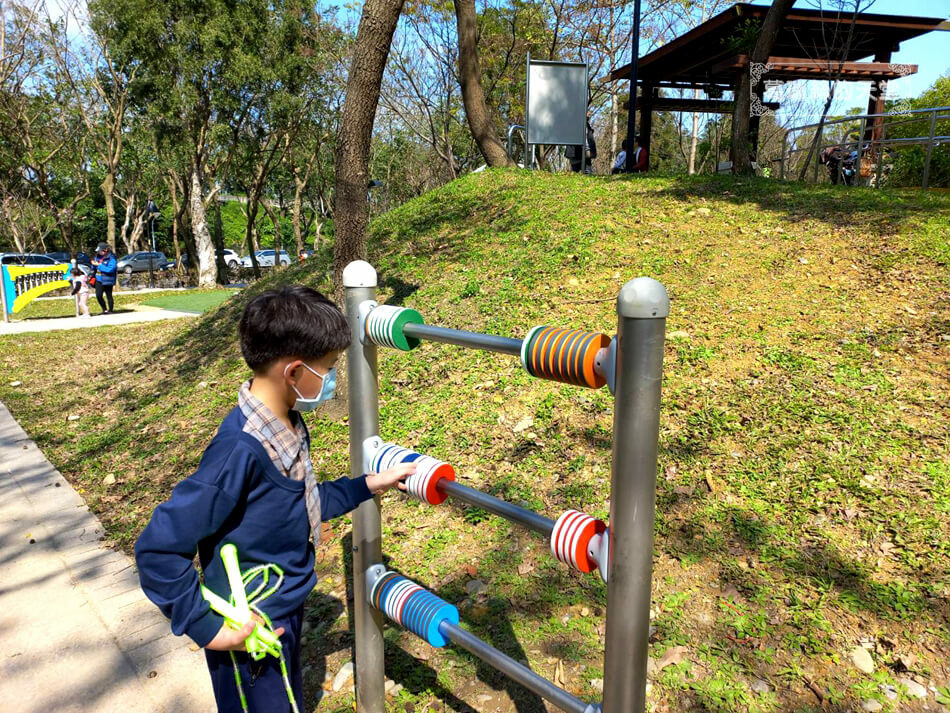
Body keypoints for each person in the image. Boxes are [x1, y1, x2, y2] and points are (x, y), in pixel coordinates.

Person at [134, 286, 415, 713]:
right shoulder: (239, 451)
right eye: (329, 368)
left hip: (284, 608)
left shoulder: (286, 423)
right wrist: (208, 628)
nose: (331, 379)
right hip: (250, 627)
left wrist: (366, 485)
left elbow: (298, 503)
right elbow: (157, 549)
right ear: (295, 372)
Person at [90, 242, 117, 313]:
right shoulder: (97, 257)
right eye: (98, 251)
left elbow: (110, 269)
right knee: (98, 295)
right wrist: (93, 265)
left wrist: (99, 265)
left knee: (109, 296)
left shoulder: (111, 258)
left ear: (105, 250)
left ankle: (110, 310)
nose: (99, 252)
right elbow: (94, 268)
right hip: (98, 279)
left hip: (108, 279)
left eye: (100, 251)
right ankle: (104, 309)